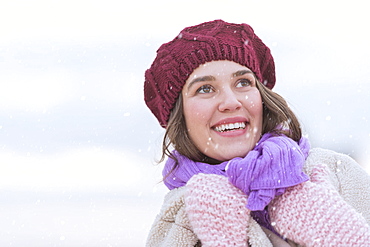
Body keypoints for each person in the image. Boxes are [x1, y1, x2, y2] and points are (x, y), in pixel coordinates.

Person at [143, 19, 370, 247]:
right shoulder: (178, 219)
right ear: (179, 116)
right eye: (205, 89)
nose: (231, 102)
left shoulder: (334, 172)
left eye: (243, 82)